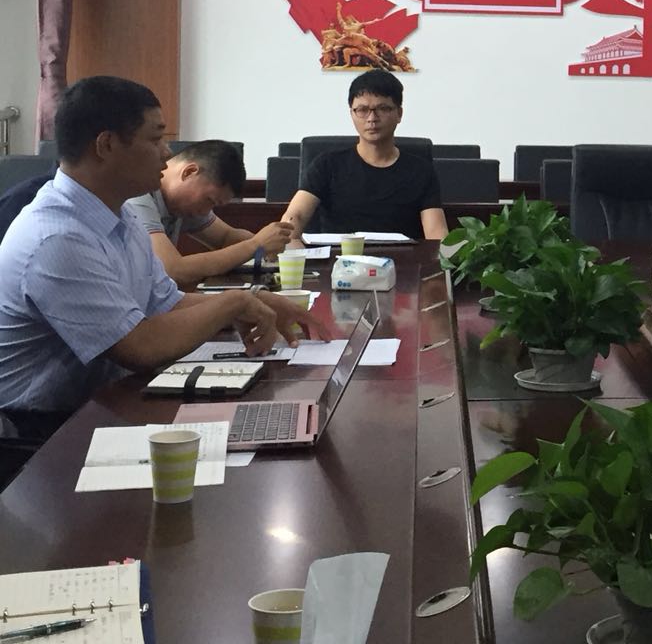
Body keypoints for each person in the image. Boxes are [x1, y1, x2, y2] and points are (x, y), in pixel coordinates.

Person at [0, 77, 326, 431]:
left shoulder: (119, 214)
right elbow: (140, 346)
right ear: (106, 145)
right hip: (40, 431)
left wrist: (254, 300)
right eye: (155, 139)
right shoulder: (57, 237)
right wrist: (232, 304)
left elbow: (166, 302)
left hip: (106, 401)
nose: (167, 153)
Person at [281, 70, 448, 241]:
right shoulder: (326, 165)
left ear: (399, 113)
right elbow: (295, 215)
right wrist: (290, 244)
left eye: (383, 109)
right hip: (338, 257)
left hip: (402, 258)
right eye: (362, 110)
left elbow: (436, 232)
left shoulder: (421, 171)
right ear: (351, 114)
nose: (372, 118)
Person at [125, 140, 293, 288]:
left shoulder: (180, 202)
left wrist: (268, 244)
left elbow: (226, 237)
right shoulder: (137, 194)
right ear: (189, 172)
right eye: (209, 200)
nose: (206, 211)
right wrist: (255, 245)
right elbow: (173, 270)